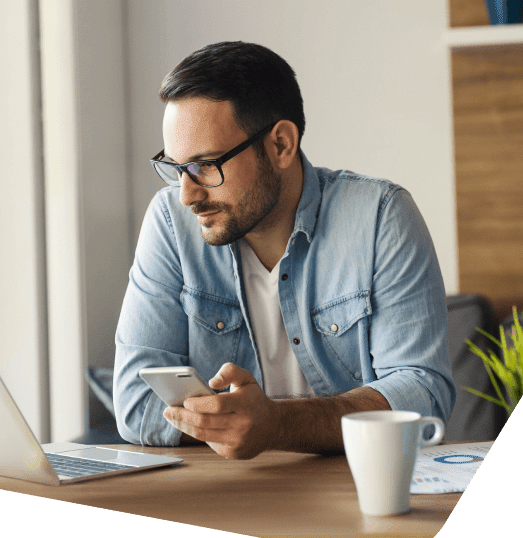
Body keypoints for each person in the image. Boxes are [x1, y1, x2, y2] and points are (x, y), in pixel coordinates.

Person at [113, 41, 455, 460]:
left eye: (206, 165)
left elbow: (422, 393)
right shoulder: (170, 223)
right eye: (176, 168)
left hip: (355, 488)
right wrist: (238, 426)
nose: (186, 195)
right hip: (226, 495)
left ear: (280, 145)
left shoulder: (381, 217)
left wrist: (276, 425)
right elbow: (134, 403)